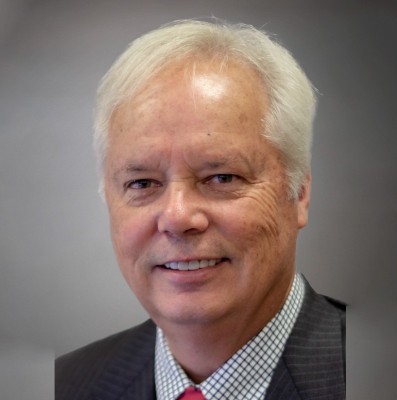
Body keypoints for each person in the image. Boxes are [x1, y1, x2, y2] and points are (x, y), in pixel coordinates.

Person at [55, 19, 345, 400]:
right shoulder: (66, 385)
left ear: (300, 193)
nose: (177, 217)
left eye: (222, 177)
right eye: (142, 183)